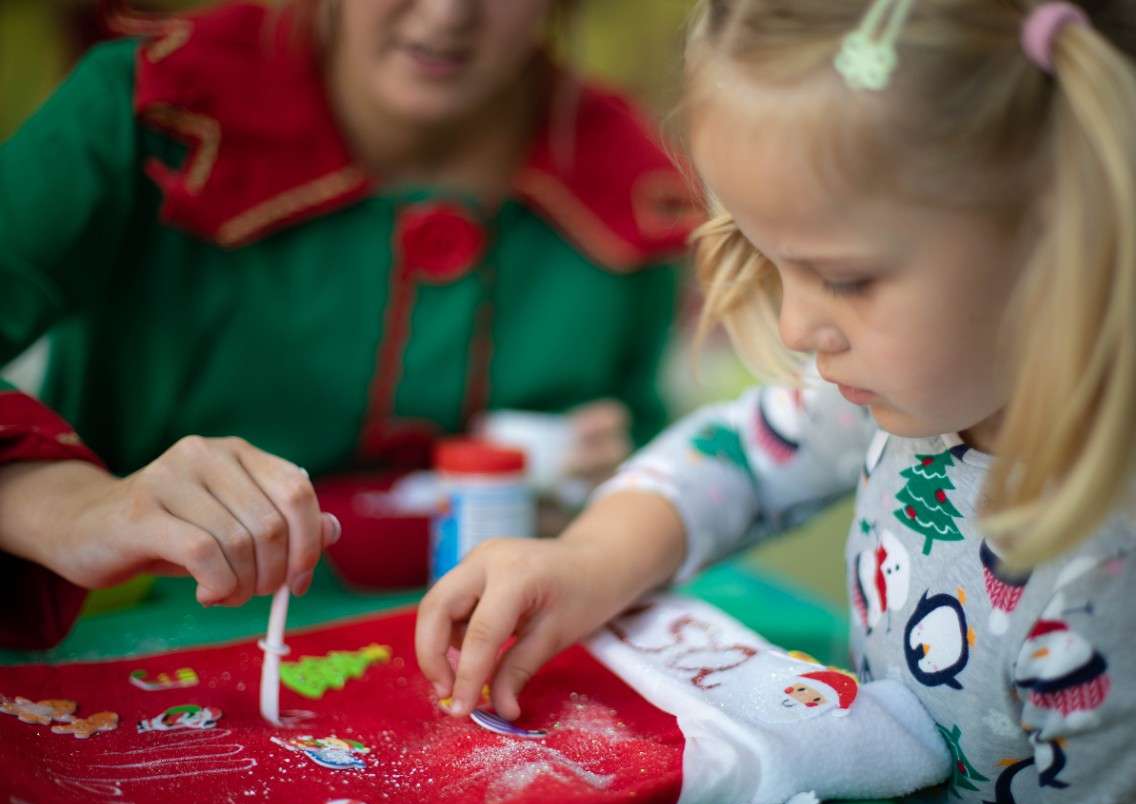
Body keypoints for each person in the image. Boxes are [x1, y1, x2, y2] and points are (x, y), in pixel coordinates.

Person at [415, 0, 1136, 804]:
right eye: (767, 257)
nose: (796, 329)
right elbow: (743, 457)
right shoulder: (951, 364)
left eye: (848, 277)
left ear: (1065, 230)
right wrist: (586, 562)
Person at [0, 0, 695, 649]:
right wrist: (70, 503)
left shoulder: (629, 182)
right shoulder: (153, 109)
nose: (447, 14)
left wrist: (604, 506)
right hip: (120, 651)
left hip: (484, 670)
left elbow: (661, 482)